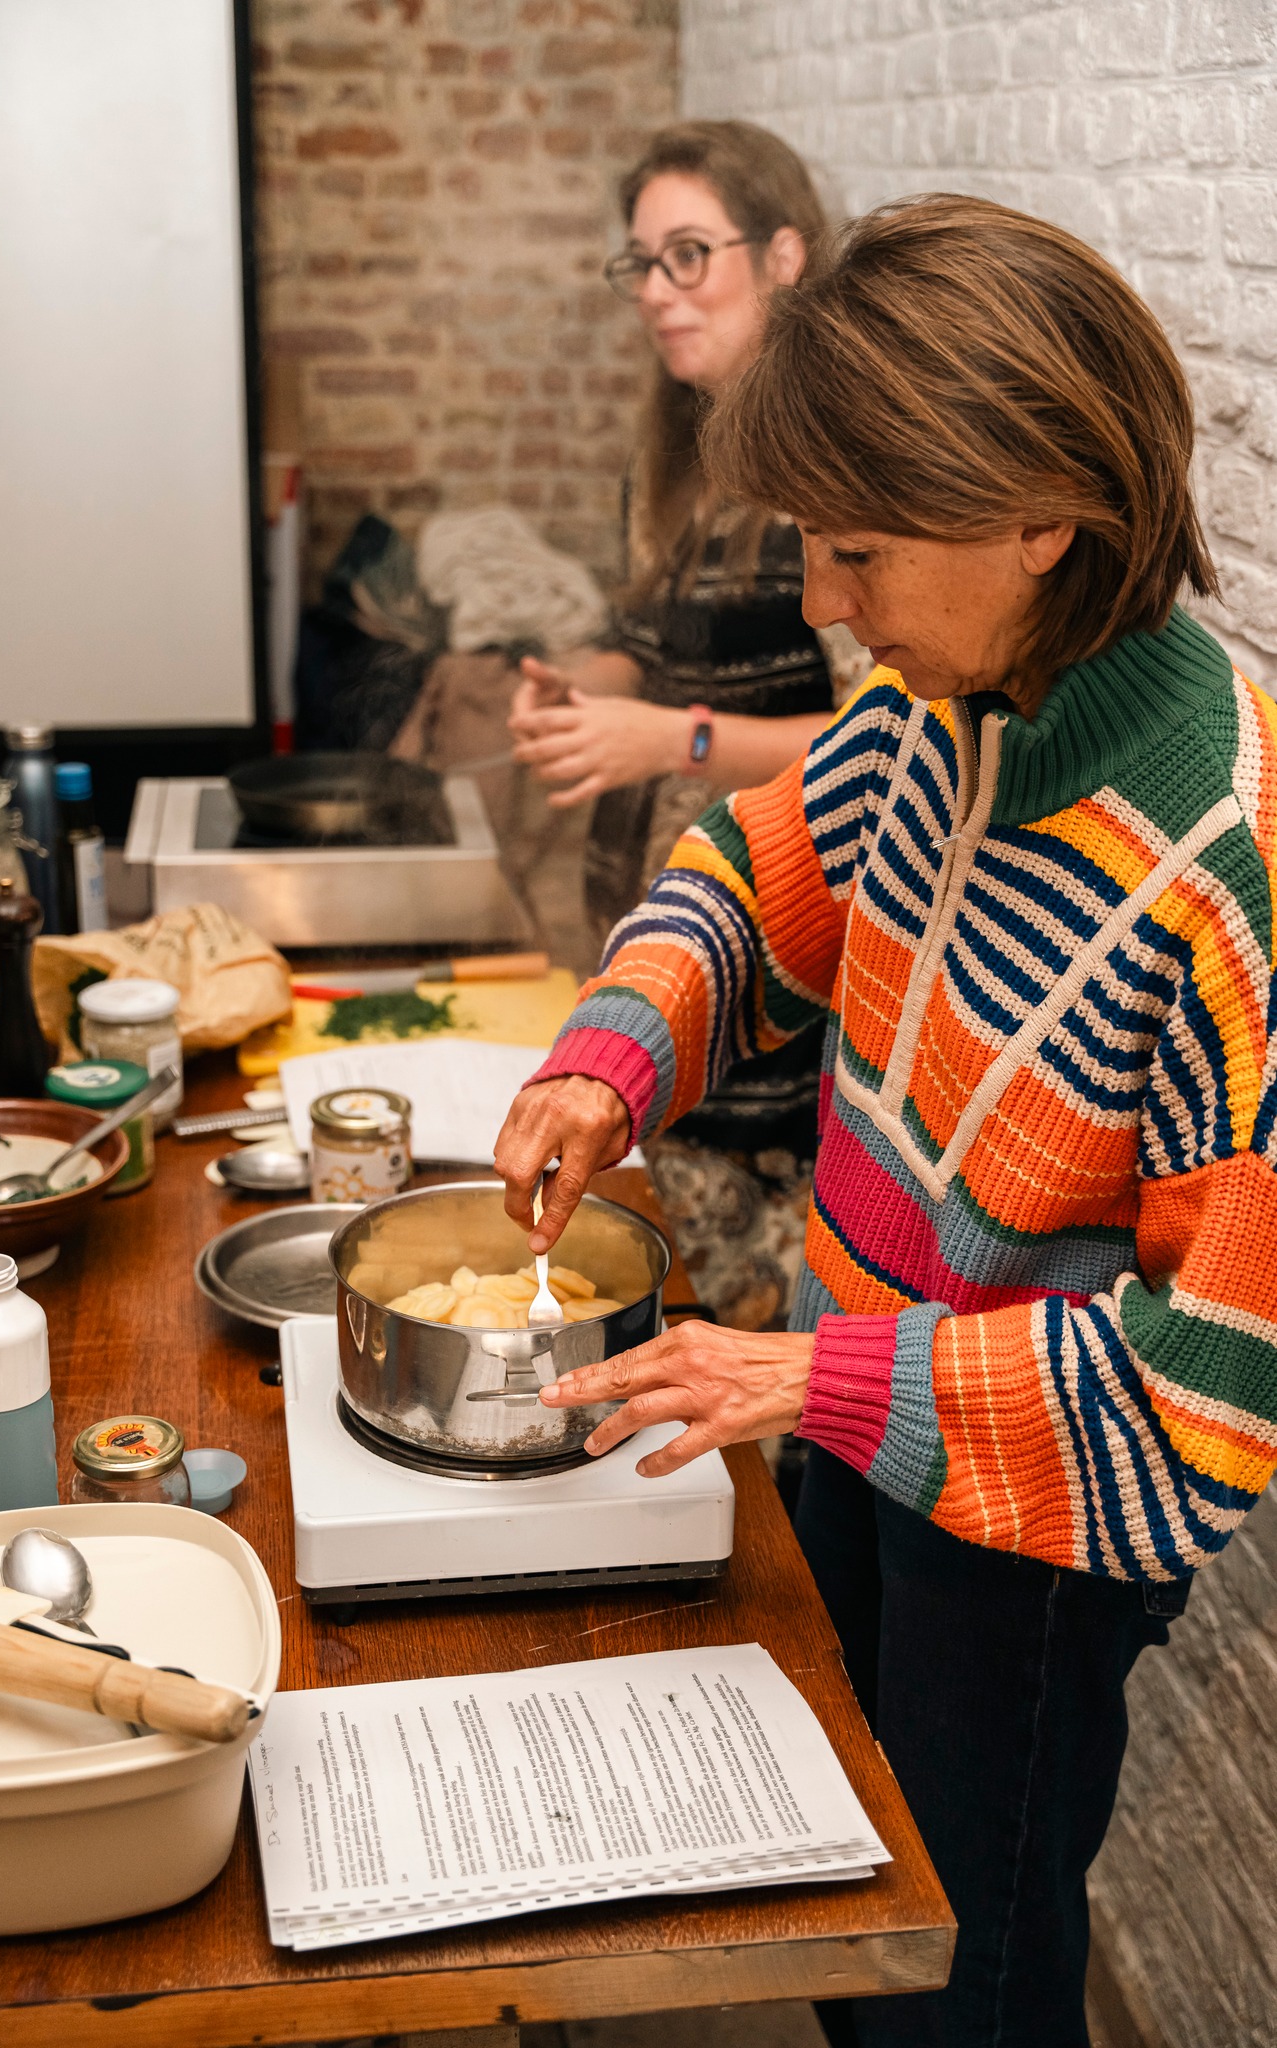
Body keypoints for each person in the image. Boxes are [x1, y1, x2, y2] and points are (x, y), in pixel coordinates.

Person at [493, 194, 1277, 2047]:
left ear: (1041, 518)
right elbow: (756, 873)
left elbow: (1208, 1393)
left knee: (960, 1983)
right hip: (859, 1408)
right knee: (852, 1910)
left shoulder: (1226, 860)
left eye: (854, 554)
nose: (825, 605)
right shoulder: (941, 706)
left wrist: (808, 1386)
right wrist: (611, 1048)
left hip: (1027, 1528)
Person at [510, 120, 849, 1329]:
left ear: (788, 255)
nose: (657, 292)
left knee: (750, 1389)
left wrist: (670, 739)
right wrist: (577, 682)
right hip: (665, 980)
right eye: (642, 263)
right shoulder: (680, 445)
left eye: (689, 255)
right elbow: (653, 649)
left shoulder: (832, 457)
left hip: (772, 1025)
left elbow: (889, 746)